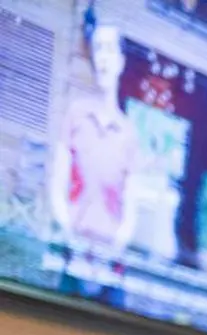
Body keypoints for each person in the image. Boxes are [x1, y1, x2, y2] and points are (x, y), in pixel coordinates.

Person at [49, 6, 143, 257]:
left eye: (110, 50)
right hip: (71, 250)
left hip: (109, 262)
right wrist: (69, 235)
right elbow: (57, 189)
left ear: (121, 61)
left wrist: (113, 250)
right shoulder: (75, 114)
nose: (103, 57)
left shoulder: (130, 134)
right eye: (98, 49)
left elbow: (130, 213)